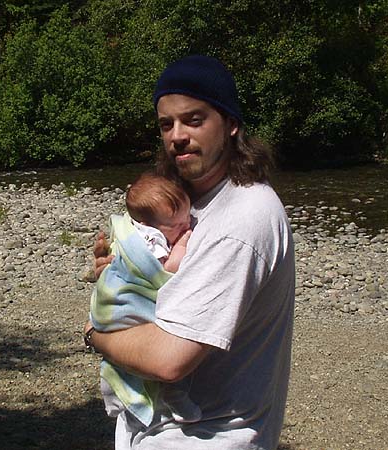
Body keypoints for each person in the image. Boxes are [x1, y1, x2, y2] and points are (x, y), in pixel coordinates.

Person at [84, 54, 295, 450]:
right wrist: (120, 271)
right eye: (167, 124)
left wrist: (95, 333)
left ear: (230, 123)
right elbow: (158, 279)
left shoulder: (243, 217)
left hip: (203, 438)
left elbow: (168, 359)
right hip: (160, 432)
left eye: (194, 120)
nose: (177, 135)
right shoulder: (186, 201)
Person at [89, 172, 200, 428]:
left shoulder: (134, 229)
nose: (187, 225)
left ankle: (121, 395)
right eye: (177, 225)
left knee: (124, 359)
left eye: (188, 217)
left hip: (112, 307)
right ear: (148, 226)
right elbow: (167, 269)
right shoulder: (151, 241)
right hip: (127, 301)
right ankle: (174, 394)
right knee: (160, 341)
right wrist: (182, 245)